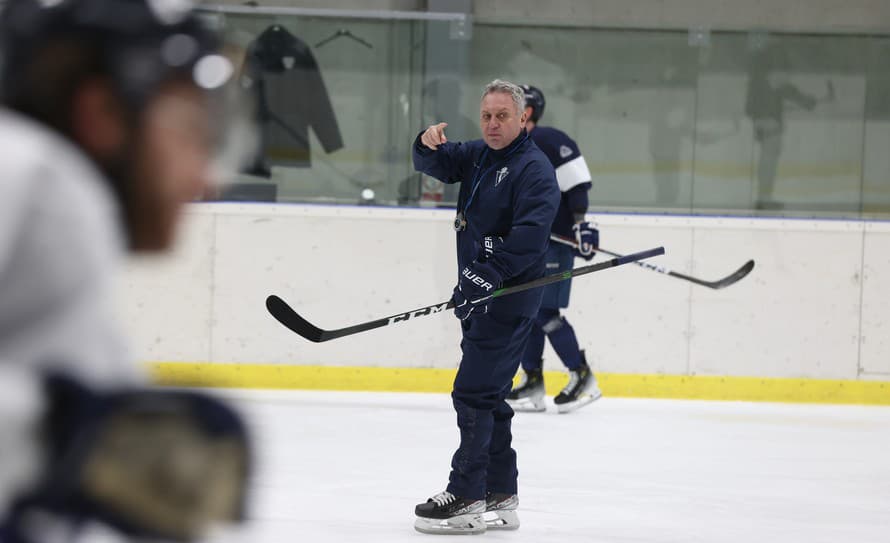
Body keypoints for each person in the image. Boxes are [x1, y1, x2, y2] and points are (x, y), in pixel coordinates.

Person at [0, 0, 253, 540]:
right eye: (191, 129)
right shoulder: (29, 171)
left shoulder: (63, 215)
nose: (207, 177)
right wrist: (65, 437)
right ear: (104, 114)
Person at [411, 79, 559, 534]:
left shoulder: (534, 170)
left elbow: (531, 239)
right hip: (479, 294)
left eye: (502, 117)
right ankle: (500, 489)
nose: (493, 124)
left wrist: (489, 273)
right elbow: (434, 163)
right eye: (487, 116)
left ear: (522, 119)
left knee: (472, 393)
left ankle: (468, 494)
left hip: (509, 299)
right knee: (490, 394)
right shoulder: (478, 155)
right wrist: (425, 142)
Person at [505, 84, 603, 414]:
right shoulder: (511, 149)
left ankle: (583, 376)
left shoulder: (547, 140)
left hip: (556, 244)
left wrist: (580, 224)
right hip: (530, 246)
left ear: (526, 112)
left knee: (545, 313)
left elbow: (576, 185)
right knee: (527, 313)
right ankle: (533, 381)